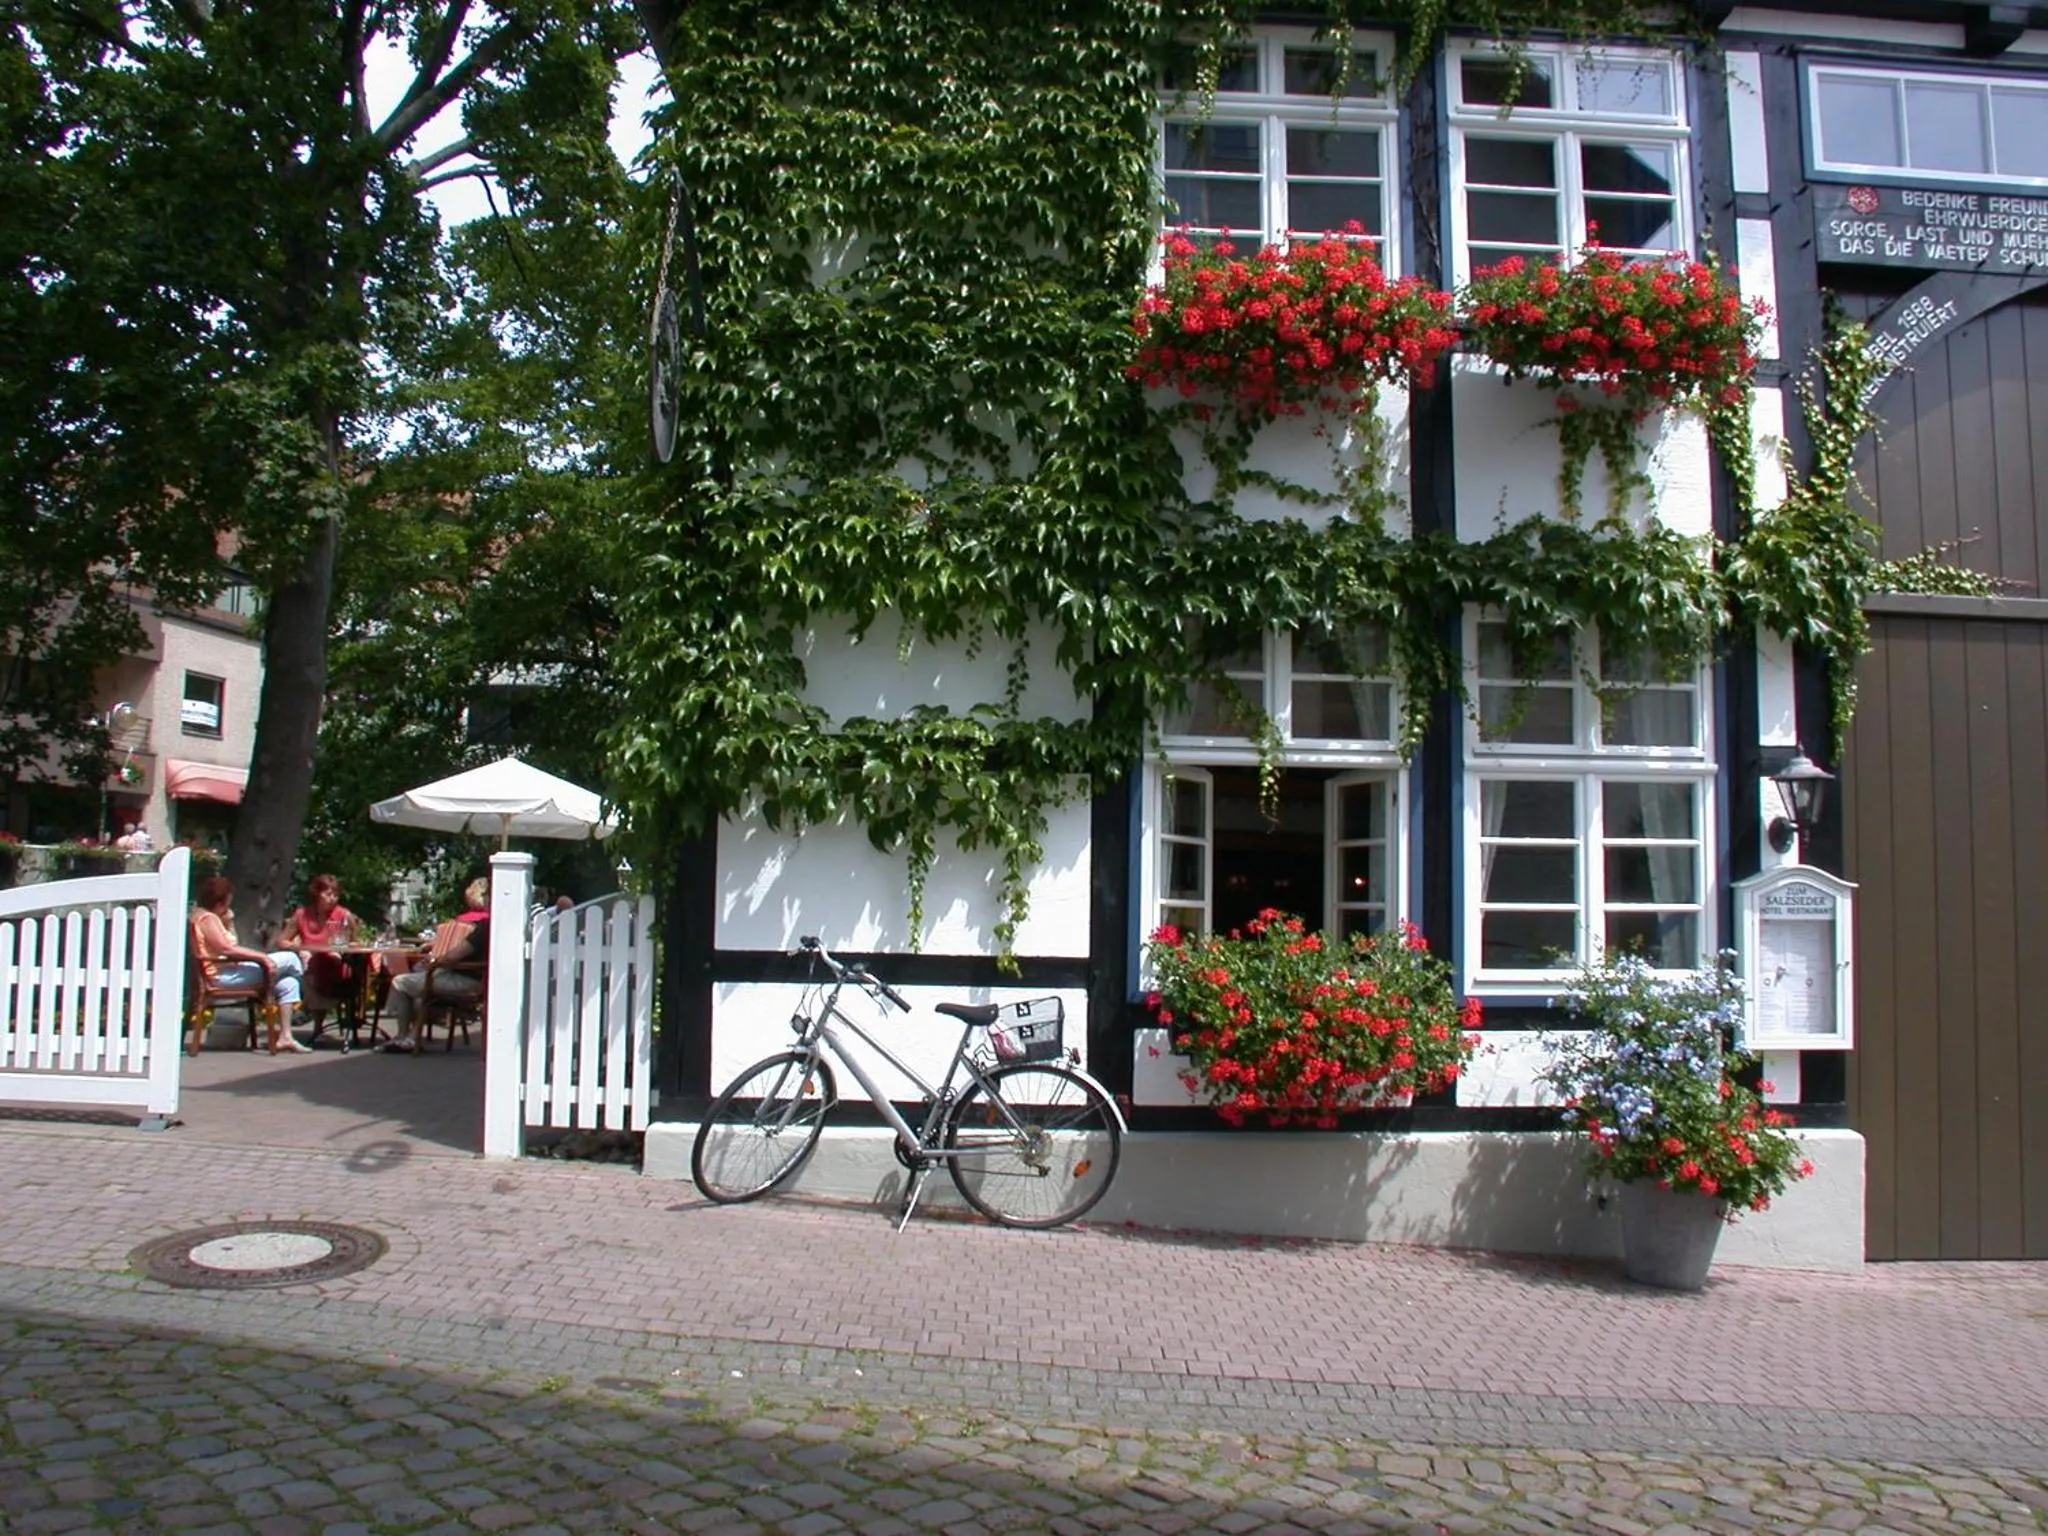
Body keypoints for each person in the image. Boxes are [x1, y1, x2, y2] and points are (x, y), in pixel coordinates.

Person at [189, 875, 311, 1054]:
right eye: (227, 901)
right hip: (222, 976)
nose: (229, 905)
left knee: (288, 984)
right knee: (291, 958)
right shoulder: (207, 919)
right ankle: (307, 995)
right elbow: (226, 949)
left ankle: (286, 1036)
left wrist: (229, 922)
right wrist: (262, 957)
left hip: (232, 971)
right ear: (219, 901)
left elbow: (231, 942)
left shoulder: (212, 917)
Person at [381, 877, 490, 1053]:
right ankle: (412, 1037)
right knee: (418, 986)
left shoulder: (484, 926)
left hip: (466, 980)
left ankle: (403, 1036)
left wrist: (435, 961)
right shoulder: (497, 924)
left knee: (400, 982)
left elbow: (455, 955)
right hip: (479, 978)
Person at [276, 874, 361, 1010]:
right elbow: (281, 941)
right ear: (317, 893)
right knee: (308, 966)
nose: (332, 899)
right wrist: (298, 948)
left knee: (325, 963)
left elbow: (356, 943)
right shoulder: (301, 915)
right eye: (328, 894)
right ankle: (317, 1008)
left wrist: (343, 948)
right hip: (308, 962)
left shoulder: (344, 915)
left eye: (336, 895)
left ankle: (316, 1011)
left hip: (334, 962)